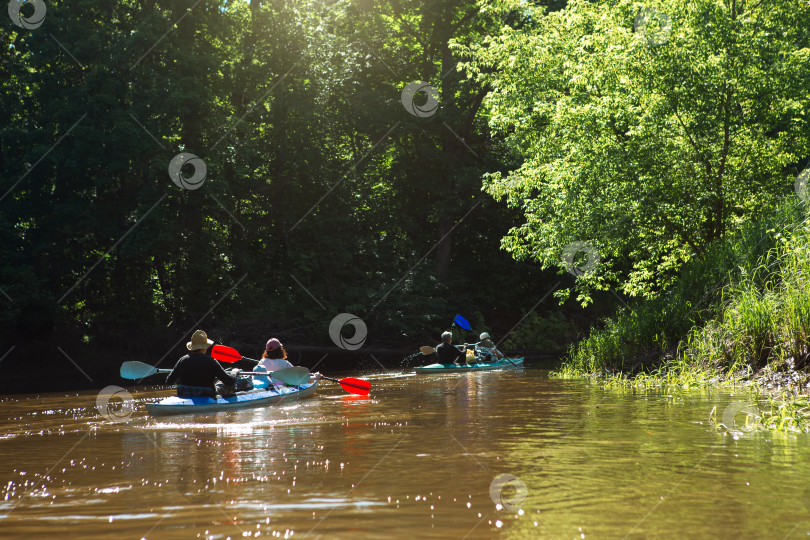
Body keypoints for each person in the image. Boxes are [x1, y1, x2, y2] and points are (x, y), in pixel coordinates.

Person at [166, 329, 237, 397]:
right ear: (204, 347)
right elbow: (229, 382)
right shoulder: (210, 360)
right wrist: (234, 372)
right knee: (220, 383)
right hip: (207, 395)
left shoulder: (182, 360)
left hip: (185, 395)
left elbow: (169, 381)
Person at [255, 338, 322, 386]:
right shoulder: (284, 363)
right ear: (280, 350)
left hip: (267, 385)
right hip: (281, 386)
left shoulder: (262, 362)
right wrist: (314, 377)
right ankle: (316, 377)